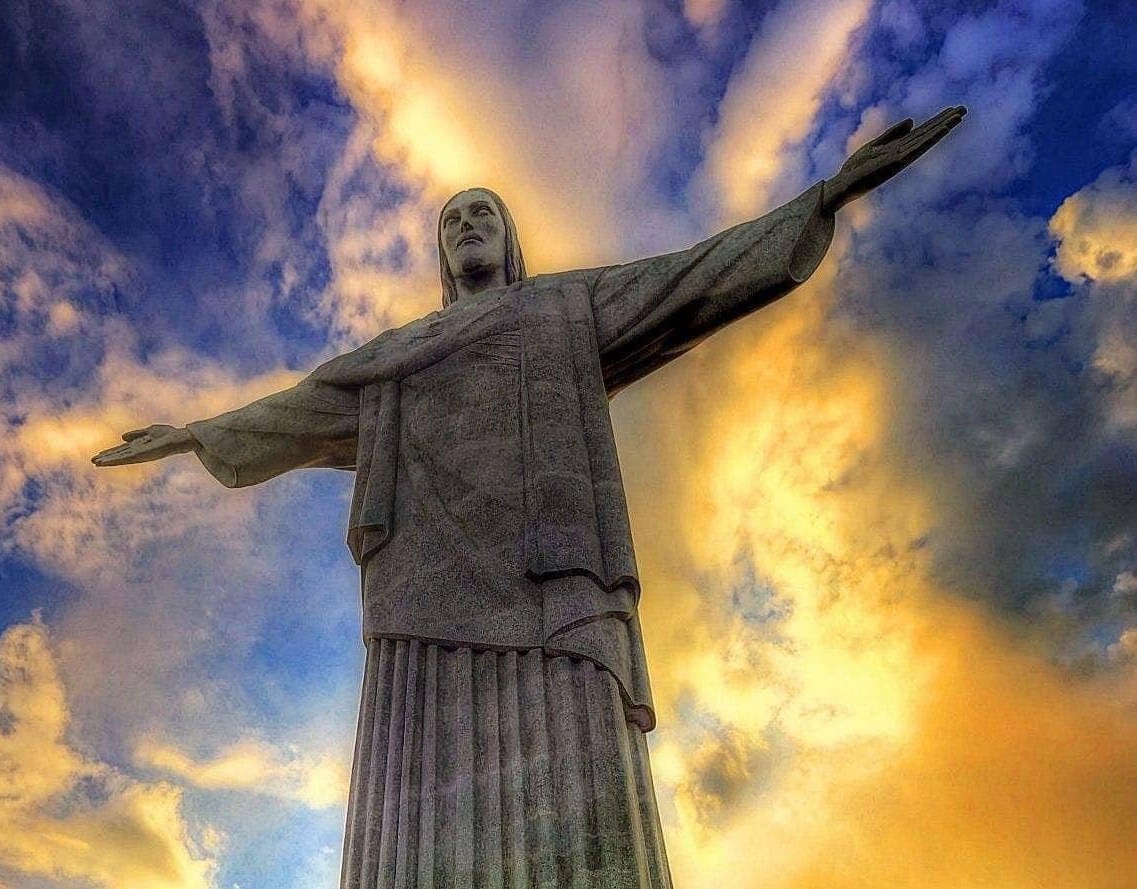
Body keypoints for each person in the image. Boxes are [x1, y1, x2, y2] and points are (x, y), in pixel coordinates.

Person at [94, 106, 965, 888]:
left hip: (552, 579)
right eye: (452, 219)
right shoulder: (394, 353)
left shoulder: (566, 306)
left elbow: (693, 277)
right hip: (422, 593)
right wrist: (195, 432)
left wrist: (824, 196)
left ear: (509, 240)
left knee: (578, 781)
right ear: (441, 253)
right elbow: (298, 408)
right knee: (417, 799)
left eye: (483, 213)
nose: (468, 224)